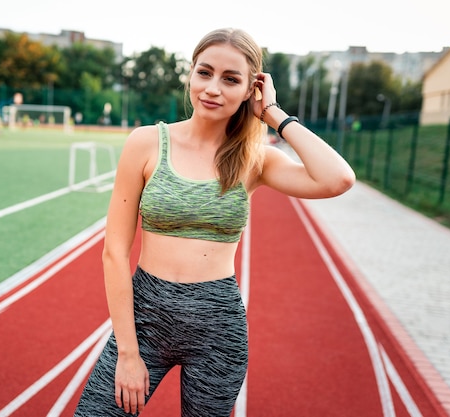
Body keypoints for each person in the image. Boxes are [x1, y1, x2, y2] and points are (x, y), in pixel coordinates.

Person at [74, 28, 355, 417]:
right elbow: (114, 252)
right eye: (204, 73)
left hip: (217, 329)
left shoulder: (254, 159)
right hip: (144, 317)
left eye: (231, 79)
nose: (213, 88)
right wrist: (127, 353)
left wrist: (273, 114)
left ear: (249, 91)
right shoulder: (146, 143)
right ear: (190, 74)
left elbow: (337, 179)